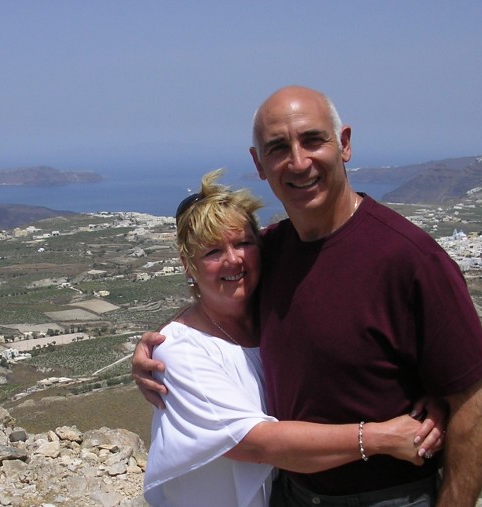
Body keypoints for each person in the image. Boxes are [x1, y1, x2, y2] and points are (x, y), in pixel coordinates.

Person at [134, 86, 482, 507]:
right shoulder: (270, 251)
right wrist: (162, 343)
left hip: (387, 497)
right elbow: (221, 289)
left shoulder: (410, 259)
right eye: (277, 148)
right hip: (292, 493)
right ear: (259, 163)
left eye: (312, 140)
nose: (298, 162)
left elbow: (479, 405)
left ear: (343, 144)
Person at [144, 168, 443, 507]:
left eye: (243, 242)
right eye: (212, 252)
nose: (233, 259)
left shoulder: (269, 312)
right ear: (188, 264)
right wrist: (380, 437)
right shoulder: (179, 352)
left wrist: (428, 391)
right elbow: (257, 444)